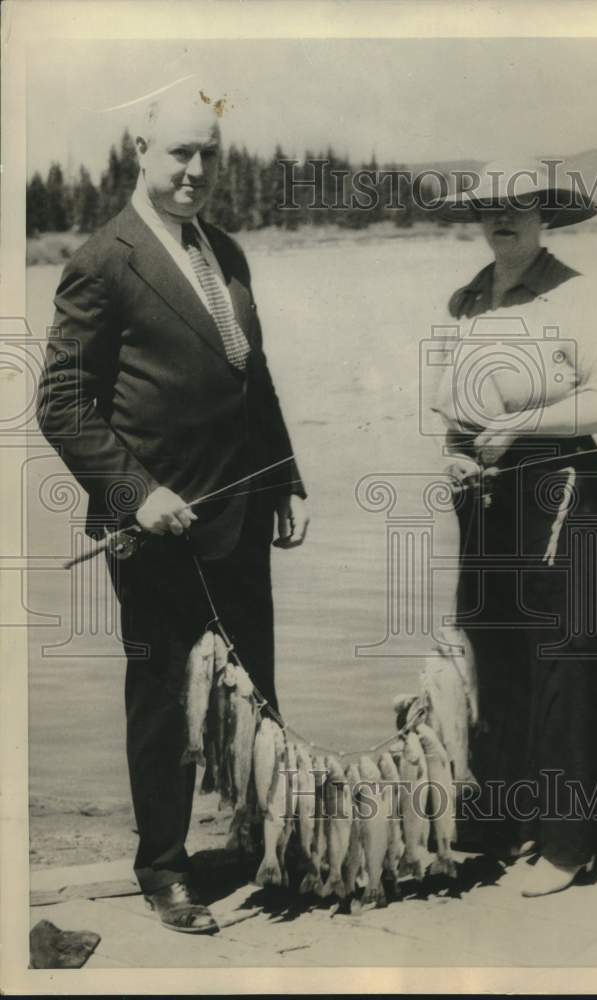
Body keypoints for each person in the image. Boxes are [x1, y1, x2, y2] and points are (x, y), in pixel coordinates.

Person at [36, 83, 309, 934]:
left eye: (209, 155)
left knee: (255, 690)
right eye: (180, 153)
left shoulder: (225, 251)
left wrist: (285, 476)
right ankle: (163, 867)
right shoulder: (102, 258)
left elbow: (247, 376)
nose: (196, 170)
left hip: (241, 513)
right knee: (163, 699)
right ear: (141, 155)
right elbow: (62, 403)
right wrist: (135, 493)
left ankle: (265, 842)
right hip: (152, 528)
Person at [433, 159, 597, 897]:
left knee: (564, 655)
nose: (501, 221)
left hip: (560, 490)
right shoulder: (464, 299)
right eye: (489, 210)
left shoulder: (577, 296)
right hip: (485, 495)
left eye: (517, 208)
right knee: (493, 650)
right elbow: (449, 409)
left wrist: (523, 424)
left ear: (543, 215)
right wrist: (453, 454)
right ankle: (503, 818)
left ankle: (567, 843)